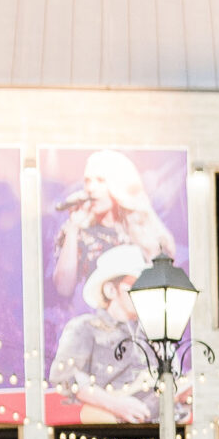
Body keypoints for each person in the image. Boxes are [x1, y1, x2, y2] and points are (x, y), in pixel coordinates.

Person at [48, 244, 184, 424]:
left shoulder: (152, 332)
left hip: (161, 423)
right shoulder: (85, 327)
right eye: (135, 286)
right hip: (112, 427)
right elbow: (64, 377)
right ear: (110, 290)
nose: (142, 293)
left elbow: (174, 376)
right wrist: (115, 404)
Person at [50, 151, 178, 307]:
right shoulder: (77, 231)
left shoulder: (143, 229)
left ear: (118, 183)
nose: (91, 188)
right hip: (93, 325)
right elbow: (63, 288)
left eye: (100, 180)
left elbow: (164, 288)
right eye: (87, 181)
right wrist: (73, 228)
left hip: (139, 325)